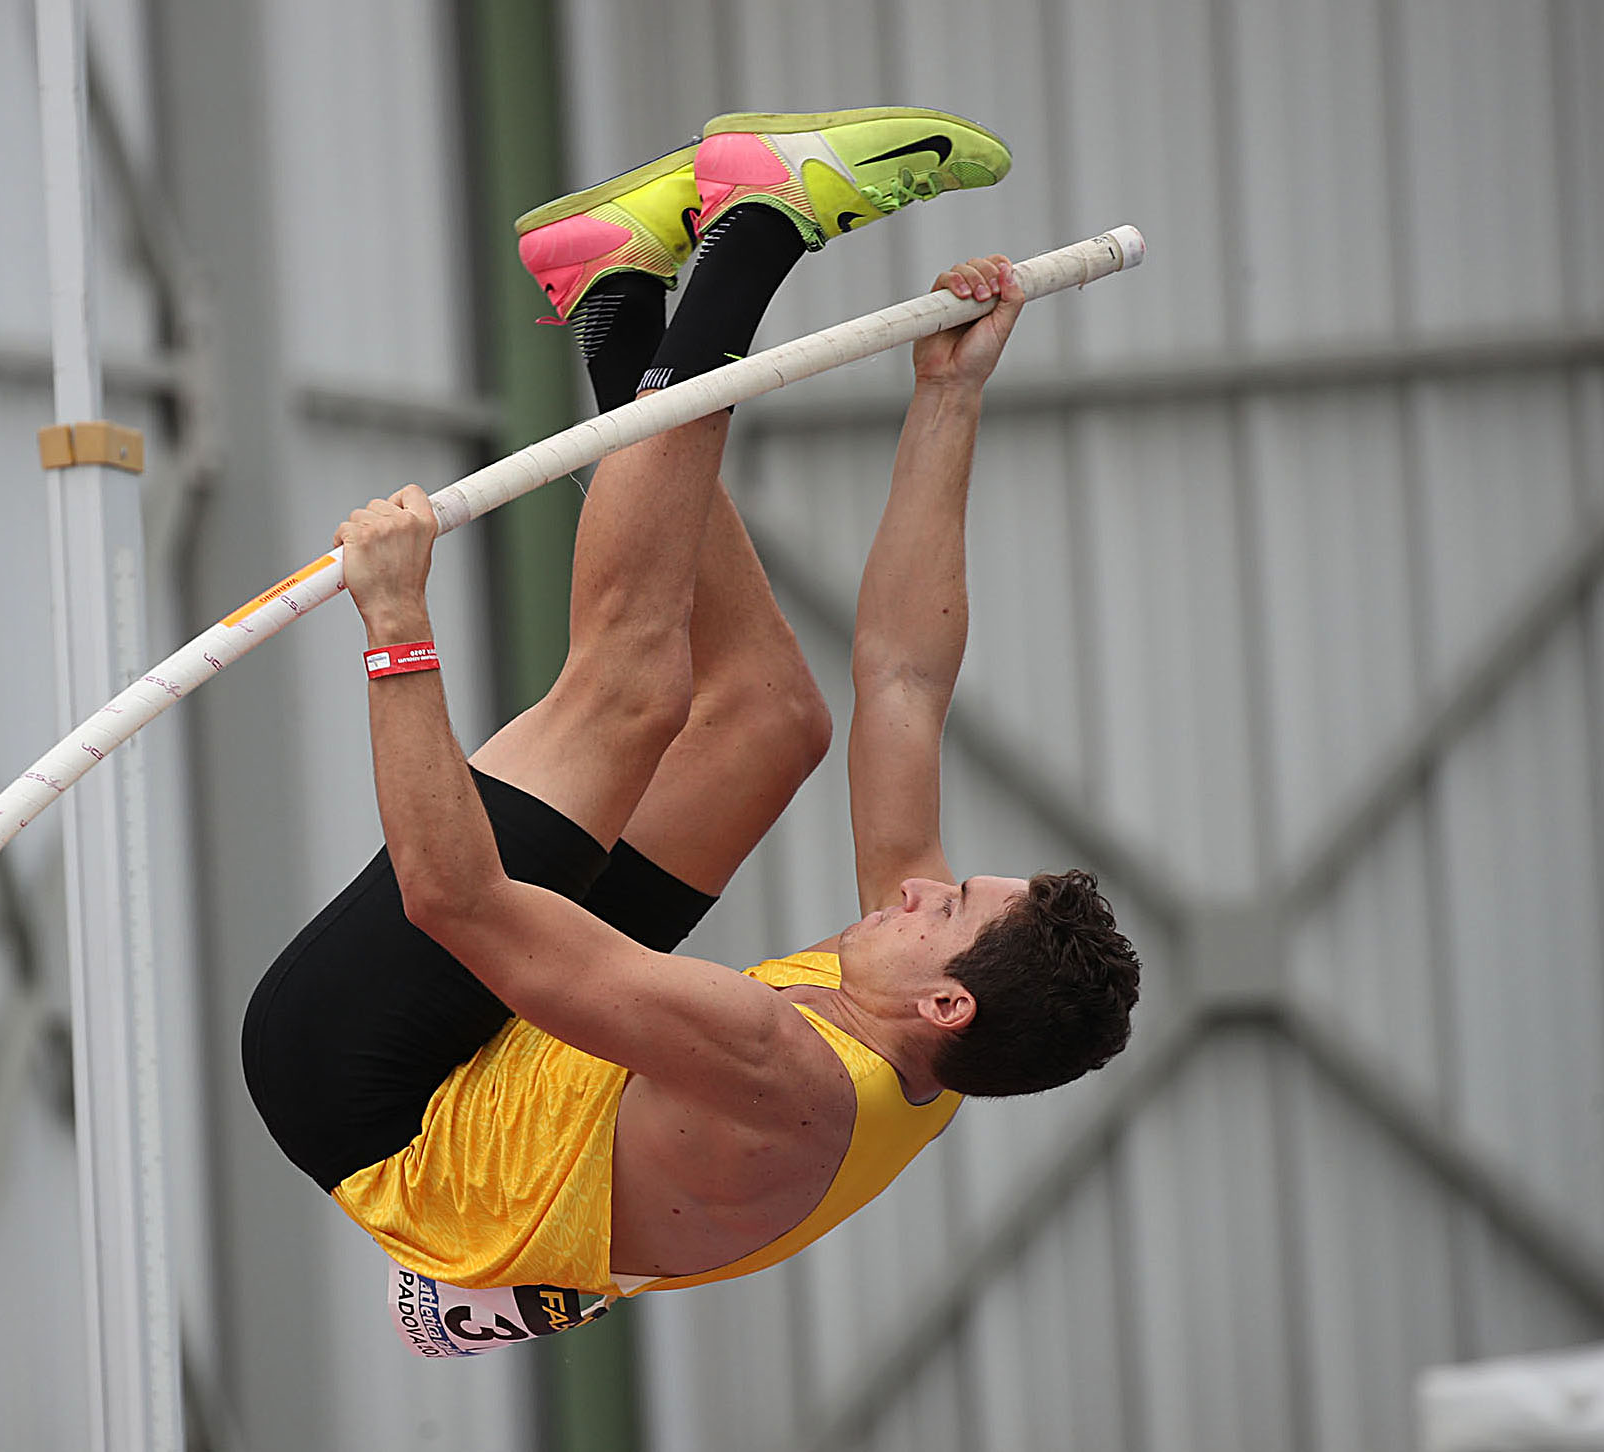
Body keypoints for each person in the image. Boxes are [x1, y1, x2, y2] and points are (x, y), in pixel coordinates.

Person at [242, 108, 1140, 1355]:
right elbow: (901, 680)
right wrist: (948, 399)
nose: (918, 888)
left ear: (943, 1002)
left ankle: (762, 221)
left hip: (372, 1095)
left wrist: (395, 624)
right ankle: (609, 294)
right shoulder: (938, 1041)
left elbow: (451, 897)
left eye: (942, 909)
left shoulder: (778, 1064)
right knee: (774, 720)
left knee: (630, 692)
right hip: (528, 1062)